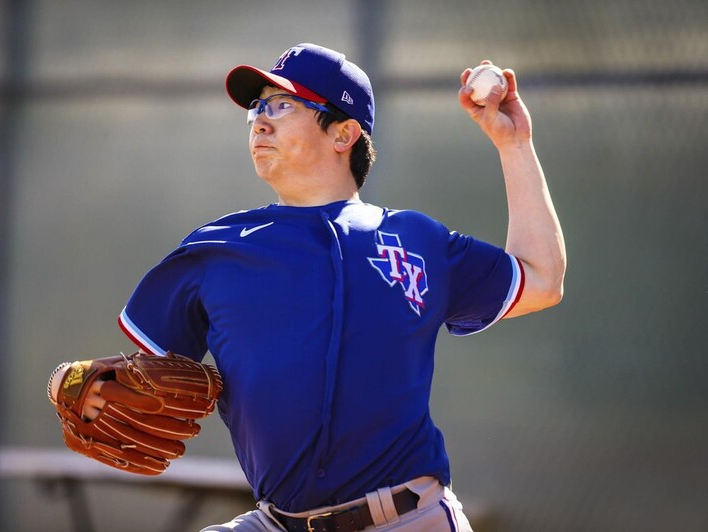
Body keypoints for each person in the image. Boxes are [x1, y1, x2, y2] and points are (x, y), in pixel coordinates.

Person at [52, 42, 565, 531]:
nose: (260, 121)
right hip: (276, 521)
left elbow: (541, 279)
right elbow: (135, 378)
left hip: (408, 518)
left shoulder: (416, 239)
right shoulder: (216, 247)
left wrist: (513, 144)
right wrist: (68, 385)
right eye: (256, 108)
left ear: (343, 134)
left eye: (282, 104)